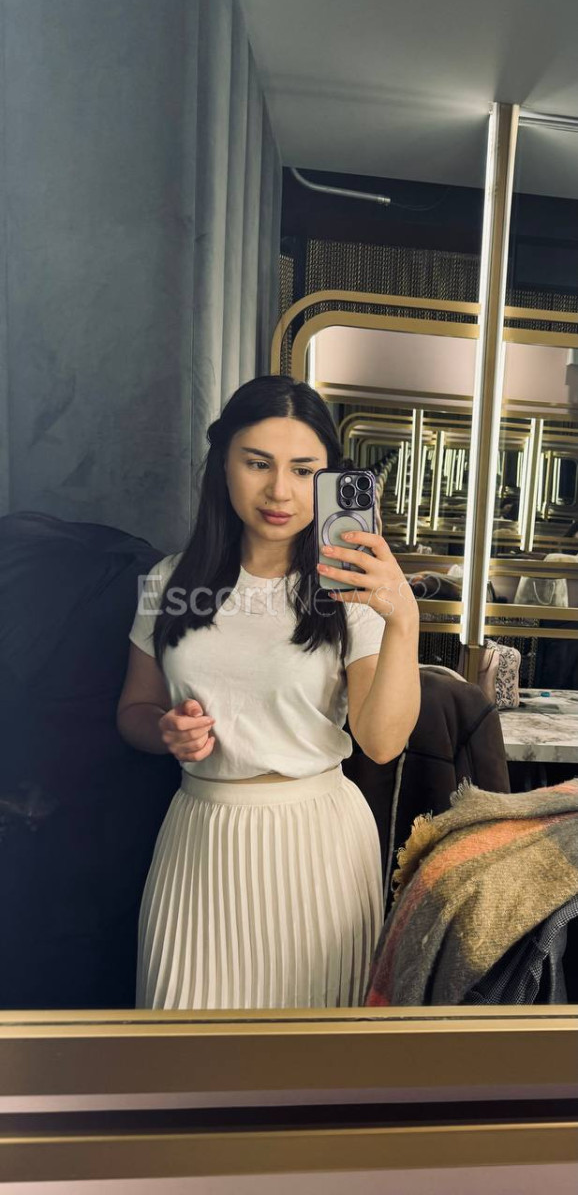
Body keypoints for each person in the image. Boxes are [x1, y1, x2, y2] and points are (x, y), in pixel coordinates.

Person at [116, 376, 421, 1010]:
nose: (280, 490)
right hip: (198, 842)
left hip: (318, 846)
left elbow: (382, 743)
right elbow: (134, 711)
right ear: (223, 463)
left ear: (328, 477)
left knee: (310, 1055)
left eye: (304, 470)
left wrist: (403, 620)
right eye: (257, 463)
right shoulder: (167, 580)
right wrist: (165, 730)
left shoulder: (350, 591)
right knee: (180, 1043)